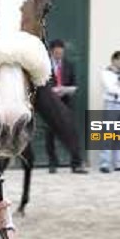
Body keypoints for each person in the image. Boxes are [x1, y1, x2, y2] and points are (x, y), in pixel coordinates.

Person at [45, 39, 79, 174]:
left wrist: (66, 89)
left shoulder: (69, 65)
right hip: (50, 104)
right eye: (57, 53)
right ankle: (52, 163)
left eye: (61, 53)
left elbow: (74, 84)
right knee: (50, 135)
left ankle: (75, 163)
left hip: (66, 103)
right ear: (52, 52)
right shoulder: (45, 66)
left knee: (71, 133)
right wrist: (52, 91)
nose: (59, 55)